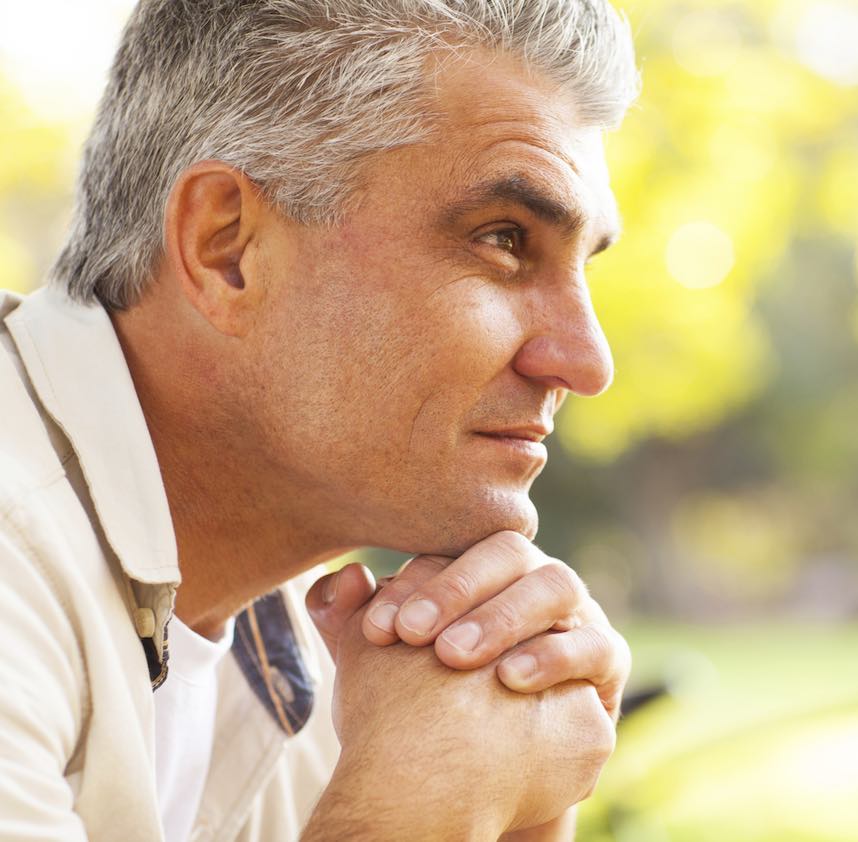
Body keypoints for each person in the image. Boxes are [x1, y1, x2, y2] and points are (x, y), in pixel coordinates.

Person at [0, 1, 639, 839]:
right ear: (228, 248)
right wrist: (420, 803)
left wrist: (520, 801)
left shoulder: (339, 661)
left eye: (583, 266)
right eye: (503, 240)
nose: (587, 362)